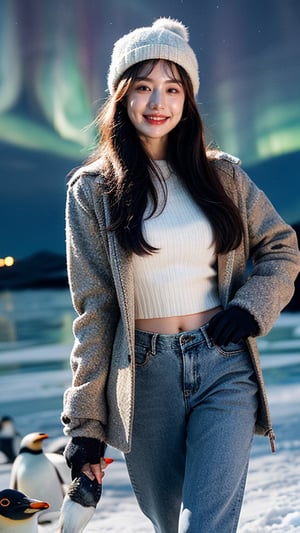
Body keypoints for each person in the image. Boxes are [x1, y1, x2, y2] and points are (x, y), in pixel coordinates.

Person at [61, 17, 300, 532]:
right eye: (143, 86)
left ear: (188, 99)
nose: (157, 102)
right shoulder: (92, 191)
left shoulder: (225, 176)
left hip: (224, 363)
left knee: (203, 525)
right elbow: (95, 309)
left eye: (173, 88)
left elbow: (281, 248)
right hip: (144, 377)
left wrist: (250, 307)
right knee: (170, 522)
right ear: (121, 95)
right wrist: (85, 422)